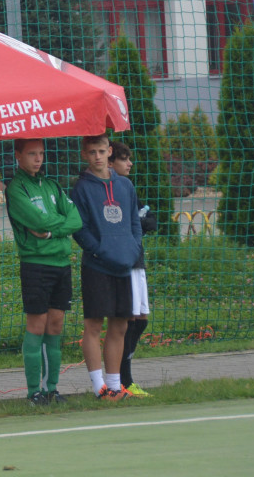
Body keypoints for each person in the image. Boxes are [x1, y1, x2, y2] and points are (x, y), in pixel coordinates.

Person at [5, 138, 83, 405]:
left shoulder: (51, 185)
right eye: (31, 154)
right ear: (18, 155)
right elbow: (36, 219)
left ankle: (52, 388)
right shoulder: (16, 189)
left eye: (40, 154)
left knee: (56, 325)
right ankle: (33, 392)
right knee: (36, 326)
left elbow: (76, 219)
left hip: (62, 264)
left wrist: (51, 231)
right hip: (36, 265)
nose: (38, 159)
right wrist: (58, 225)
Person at [70, 134, 143, 400]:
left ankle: (115, 385)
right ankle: (98, 387)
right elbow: (80, 229)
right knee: (93, 326)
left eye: (102, 151)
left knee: (121, 326)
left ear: (109, 151)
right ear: (85, 155)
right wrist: (99, 250)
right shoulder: (81, 188)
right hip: (97, 266)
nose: (97, 156)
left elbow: (135, 222)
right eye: (92, 152)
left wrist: (133, 248)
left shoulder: (125, 185)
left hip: (124, 264)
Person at [108, 140, 158, 397]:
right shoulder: (106, 190)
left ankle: (125, 374)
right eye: (124, 159)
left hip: (137, 262)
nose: (130, 164)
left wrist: (144, 220)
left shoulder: (128, 187)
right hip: (122, 263)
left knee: (140, 320)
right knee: (125, 321)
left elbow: (143, 218)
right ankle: (122, 380)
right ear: (110, 162)